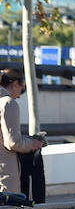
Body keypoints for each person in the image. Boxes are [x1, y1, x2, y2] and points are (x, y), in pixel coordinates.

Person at [0, 69, 44, 198]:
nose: (20, 95)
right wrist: (32, 143)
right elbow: (12, 143)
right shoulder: (8, 103)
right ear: (15, 84)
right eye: (22, 87)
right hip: (4, 175)